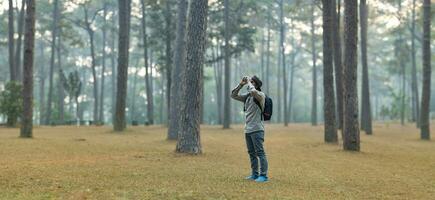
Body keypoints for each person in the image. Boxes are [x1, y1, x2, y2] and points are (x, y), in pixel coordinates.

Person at [231, 75, 269, 183]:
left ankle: (263, 176)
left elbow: (253, 92)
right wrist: (241, 84)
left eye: (252, 82)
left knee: (260, 153)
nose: (250, 83)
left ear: (256, 84)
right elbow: (233, 95)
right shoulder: (247, 96)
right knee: (251, 153)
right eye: (250, 81)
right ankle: (254, 174)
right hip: (248, 130)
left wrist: (249, 82)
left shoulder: (260, 95)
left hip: (257, 129)